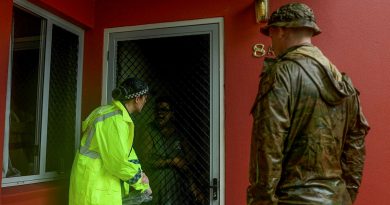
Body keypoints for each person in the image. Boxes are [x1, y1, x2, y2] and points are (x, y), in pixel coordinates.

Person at [247, 3, 370, 205]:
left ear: (279, 31)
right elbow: (356, 146)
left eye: (270, 35)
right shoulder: (342, 80)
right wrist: (346, 196)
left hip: (292, 200)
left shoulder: (281, 74)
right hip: (337, 199)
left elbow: (268, 144)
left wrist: (262, 202)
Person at [69, 77, 152, 205]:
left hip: (96, 183)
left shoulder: (114, 116)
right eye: (145, 98)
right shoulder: (115, 121)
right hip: (95, 187)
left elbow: (127, 154)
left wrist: (141, 176)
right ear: (137, 99)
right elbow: (117, 162)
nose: (146, 101)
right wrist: (140, 181)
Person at [139, 96, 205, 205]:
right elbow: (145, 161)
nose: (160, 113)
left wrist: (193, 185)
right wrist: (172, 161)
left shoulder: (179, 133)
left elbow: (190, 159)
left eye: (164, 110)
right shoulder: (149, 130)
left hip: (177, 190)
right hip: (156, 188)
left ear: (172, 113)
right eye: (157, 110)